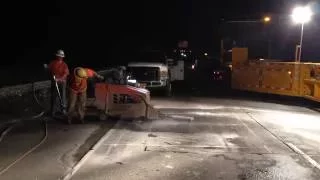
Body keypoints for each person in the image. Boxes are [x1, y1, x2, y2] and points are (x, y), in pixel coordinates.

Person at [48, 49, 69, 116]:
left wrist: (59, 79)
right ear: (57, 56)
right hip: (54, 82)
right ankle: (53, 111)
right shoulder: (52, 63)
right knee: (54, 96)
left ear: (62, 57)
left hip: (62, 82)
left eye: (61, 56)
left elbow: (65, 74)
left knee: (62, 96)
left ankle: (63, 110)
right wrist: (46, 68)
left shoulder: (64, 64)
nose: (60, 57)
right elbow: (49, 70)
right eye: (59, 55)